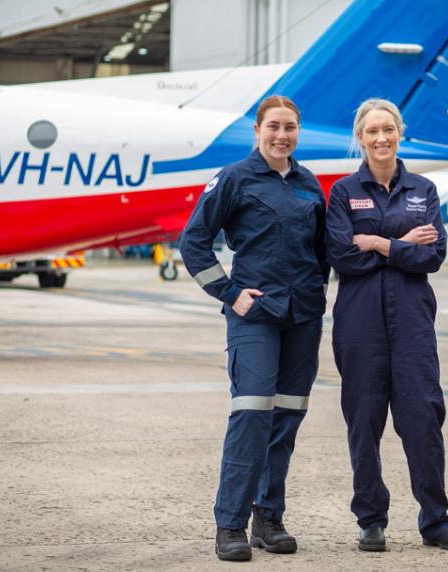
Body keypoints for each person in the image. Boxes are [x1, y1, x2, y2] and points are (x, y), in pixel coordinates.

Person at [180, 95, 329, 562]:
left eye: (290, 127)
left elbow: (322, 250)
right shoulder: (234, 179)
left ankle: (269, 517)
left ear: (298, 131)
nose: (282, 135)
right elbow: (194, 243)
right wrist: (230, 293)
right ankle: (230, 524)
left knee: (287, 414)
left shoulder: (310, 184)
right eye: (273, 127)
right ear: (257, 130)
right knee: (251, 413)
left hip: (302, 316)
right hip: (255, 315)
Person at [325, 98, 448, 552]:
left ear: (400, 133)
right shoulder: (344, 193)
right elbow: (343, 257)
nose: (381, 138)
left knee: (423, 418)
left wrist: (379, 243)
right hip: (360, 324)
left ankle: (436, 521)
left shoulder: (423, 190)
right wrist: (402, 243)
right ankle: (371, 519)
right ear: (360, 138)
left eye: (388, 129)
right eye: (372, 131)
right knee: (363, 421)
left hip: (411, 323)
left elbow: (434, 255)